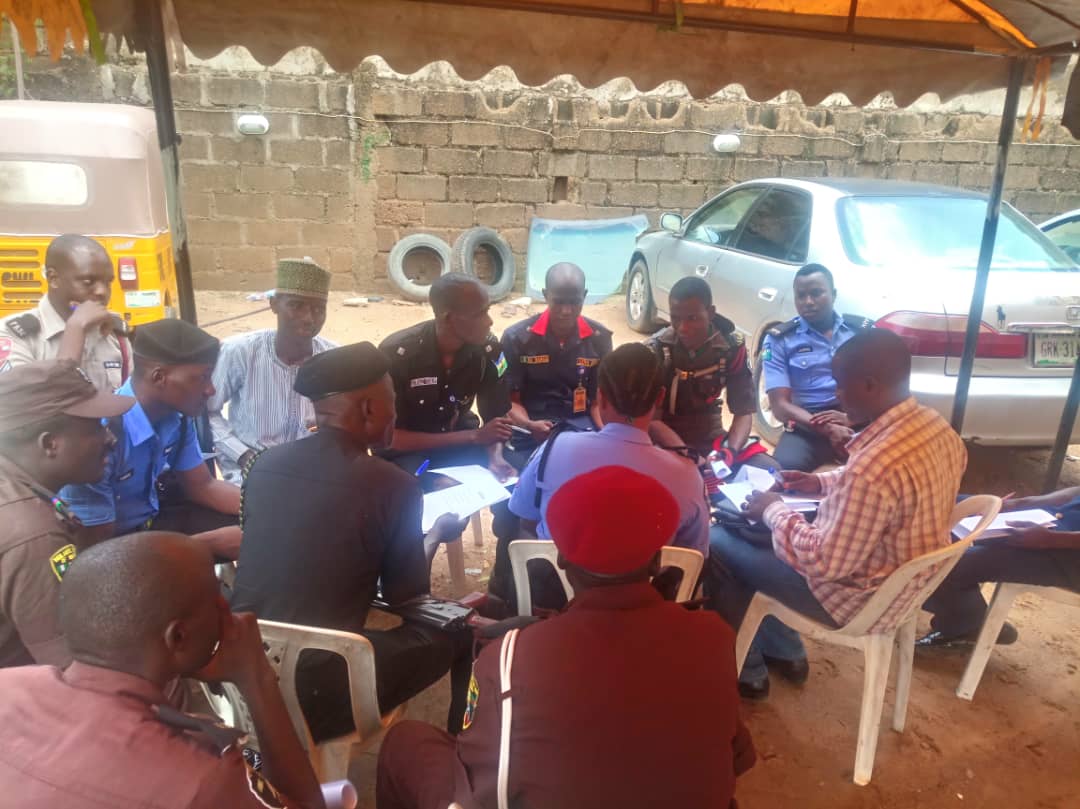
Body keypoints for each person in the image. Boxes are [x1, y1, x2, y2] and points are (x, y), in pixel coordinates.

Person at [375, 465, 756, 809]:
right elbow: (737, 757)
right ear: (658, 561)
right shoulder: (712, 636)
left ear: (563, 561)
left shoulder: (509, 657)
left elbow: (482, 776)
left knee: (403, 743)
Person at [231, 342, 473, 742]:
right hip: (317, 692)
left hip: (245, 675)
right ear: (369, 409)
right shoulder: (392, 484)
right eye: (392, 399)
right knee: (458, 632)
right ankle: (459, 749)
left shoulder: (263, 464)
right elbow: (407, 599)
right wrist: (434, 535)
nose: (396, 412)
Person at [707, 329, 967, 698]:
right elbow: (890, 490)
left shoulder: (873, 469)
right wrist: (822, 484)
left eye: (842, 385)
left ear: (870, 385)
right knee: (756, 538)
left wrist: (775, 510)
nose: (837, 394)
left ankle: (746, 667)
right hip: (901, 586)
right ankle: (786, 652)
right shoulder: (937, 428)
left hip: (853, 598)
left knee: (719, 541)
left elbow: (825, 562)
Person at [0, 531, 326, 809]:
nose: (228, 612)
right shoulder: (203, 778)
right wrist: (257, 677)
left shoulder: (8, 684)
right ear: (179, 637)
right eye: (217, 601)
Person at [60, 318, 242, 558]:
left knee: (261, 529)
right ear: (158, 377)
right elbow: (96, 555)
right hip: (108, 549)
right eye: (201, 377)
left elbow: (203, 486)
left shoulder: (177, 420)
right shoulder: (100, 439)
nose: (211, 390)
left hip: (151, 525)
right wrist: (200, 547)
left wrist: (271, 507)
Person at [510, 343, 709, 556]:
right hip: (646, 587)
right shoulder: (687, 474)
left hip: (561, 584)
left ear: (601, 397)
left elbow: (526, 518)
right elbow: (694, 554)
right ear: (660, 397)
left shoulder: (554, 449)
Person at [489, 262, 612, 604]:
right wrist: (529, 425)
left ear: (585, 298)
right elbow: (508, 403)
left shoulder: (600, 339)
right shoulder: (517, 339)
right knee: (511, 507)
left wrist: (607, 441)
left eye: (575, 301)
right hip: (530, 433)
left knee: (590, 502)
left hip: (581, 434)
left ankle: (574, 591)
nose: (566, 310)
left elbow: (600, 404)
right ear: (545, 296)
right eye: (559, 301)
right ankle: (506, 592)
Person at [0, 360, 133, 668]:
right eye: (95, 427)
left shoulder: (19, 489)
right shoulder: (33, 532)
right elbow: (75, 670)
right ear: (50, 443)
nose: (110, 439)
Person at [209, 258, 337, 483]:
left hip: (310, 473)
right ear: (274, 304)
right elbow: (207, 412)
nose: (309, 318)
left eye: (319, 309)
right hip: (249, 471)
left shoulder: (334, 358)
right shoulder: (240, 352)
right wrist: (243, 455)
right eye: (296, 306)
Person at [379, 273, 513, 480]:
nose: (489, 321)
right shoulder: (397, 354)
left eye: (488, 310)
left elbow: (496, 420)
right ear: (448, 318)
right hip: (408, 455)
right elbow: (388, 438)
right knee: (425, 485)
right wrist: (473, 436)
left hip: (461, 445)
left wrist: (495, 457)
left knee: (514, 477)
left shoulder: (489, 350)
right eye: (480, 313)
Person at [917, 485, 1080, 647]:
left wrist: (1052, 539)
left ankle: (967, 626)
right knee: (950, 505)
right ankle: (954, 609)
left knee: (950, 564)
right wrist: (1018, 504)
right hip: (1054, 522)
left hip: (1069, 555)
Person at [646, 276, 772, 468]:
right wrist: (689, 456)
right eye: (675, 318)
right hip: (665, 437)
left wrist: (729, 451)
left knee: (768, 467)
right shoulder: (658, 350)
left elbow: (743, 412)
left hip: (709, 435)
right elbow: (652, 421)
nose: (683, 328)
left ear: (710, 313)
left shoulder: (731, 348)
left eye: (692, 318)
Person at [761, 264, 872, 472]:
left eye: (816, 293)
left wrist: (852, 419)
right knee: (784, 473)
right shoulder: (780, 340)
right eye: (801, 296)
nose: (808, 302)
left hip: (857, 418)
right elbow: (779, 406)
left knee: (886, 464)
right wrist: (828, 428)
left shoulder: (860, 333)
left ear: (834, 294)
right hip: (808, 423)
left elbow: (881, 388)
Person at [0, 234, 132, 392]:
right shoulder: (15, 335)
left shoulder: (113, 333)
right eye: (88, 282)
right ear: (53, 278)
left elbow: (128, 399)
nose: (102, 292)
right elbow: (23, 406)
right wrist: (75, 329)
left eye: (108, 282)